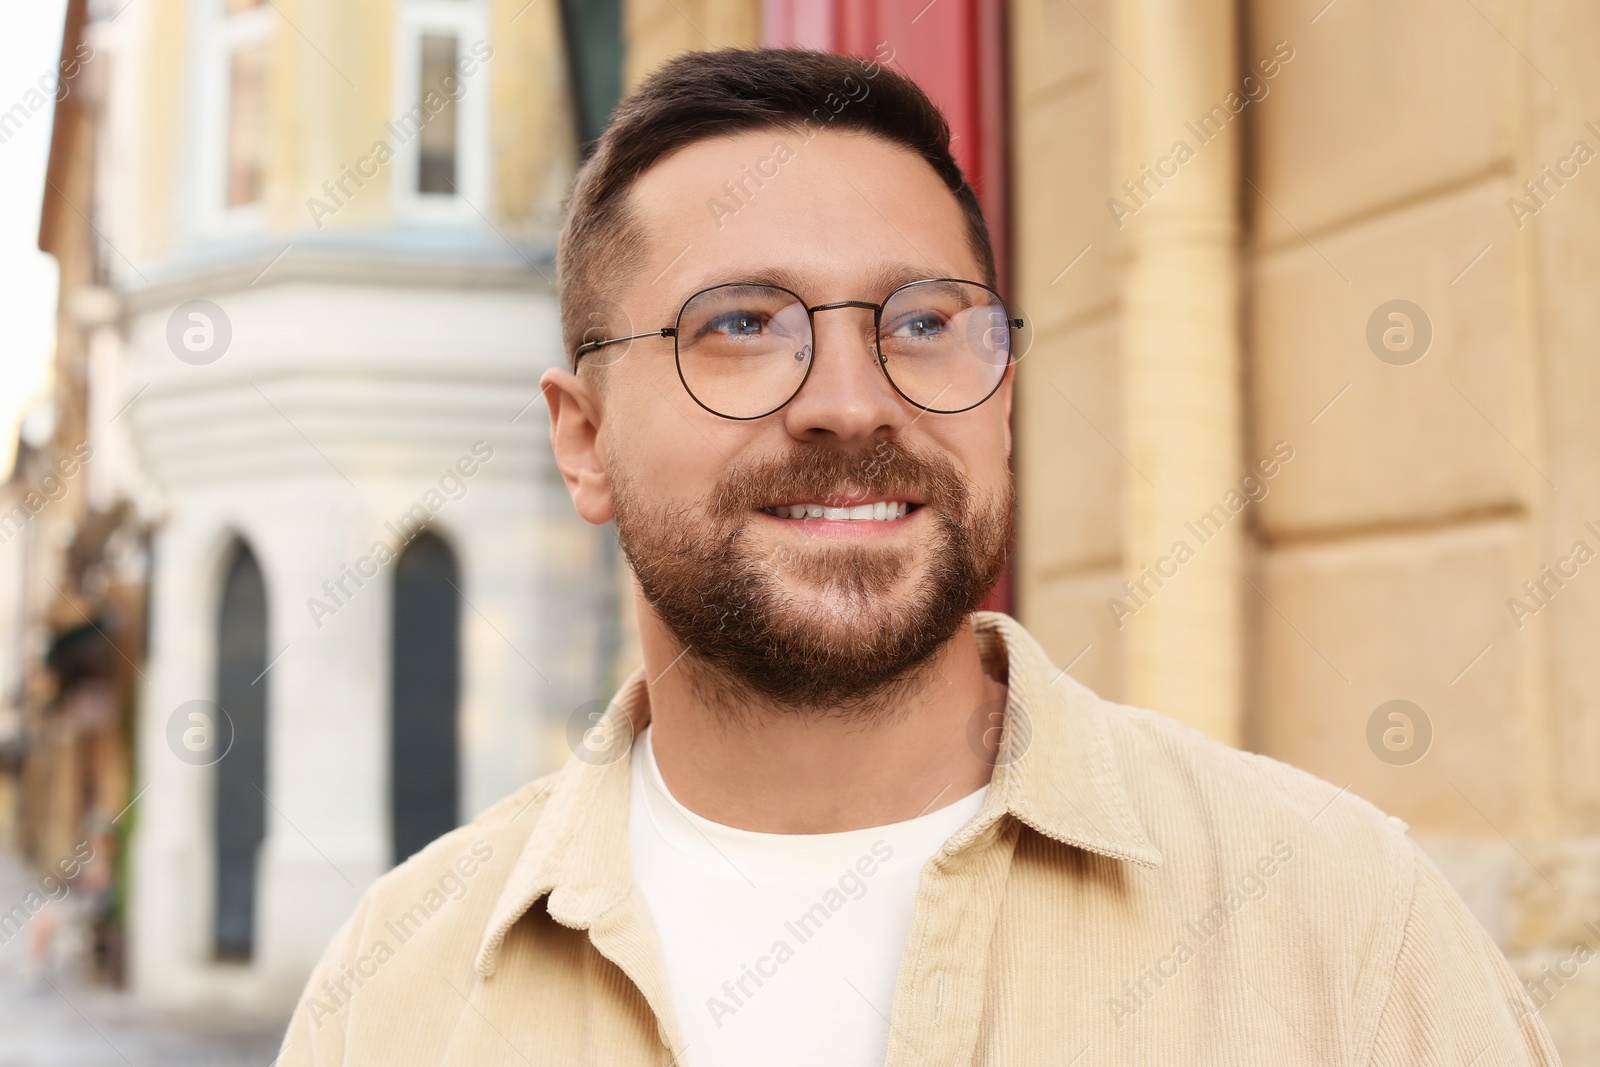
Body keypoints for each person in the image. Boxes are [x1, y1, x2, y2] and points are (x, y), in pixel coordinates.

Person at [278, 48, 1559, 1066]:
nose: (850, 399)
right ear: (585, 439)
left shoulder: (1342, 923)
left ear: (1000, 395)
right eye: (741, 322)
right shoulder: (395, 993)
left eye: (925, 322)